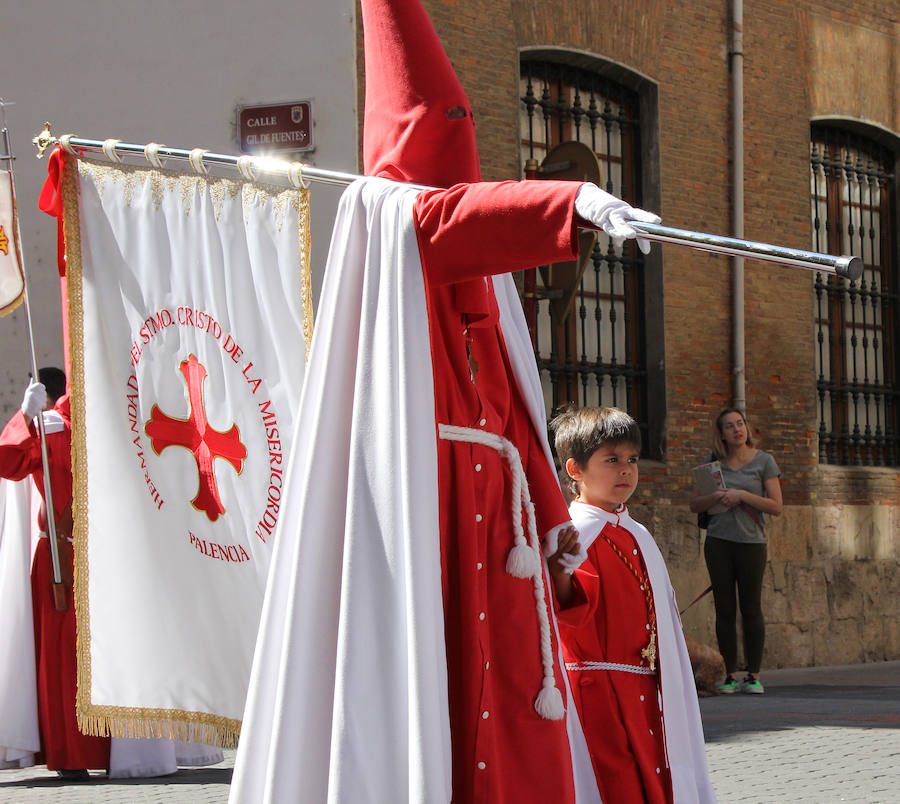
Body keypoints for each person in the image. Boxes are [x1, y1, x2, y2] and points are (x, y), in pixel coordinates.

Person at [229, 1, 659, 801]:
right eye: (447, 131)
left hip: (494, 524)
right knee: (434, 686)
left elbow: (521, 428)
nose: (462, 155)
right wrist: (575, 206)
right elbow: (449, 219)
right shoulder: (393, 219)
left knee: (501, 702)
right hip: (421, 513)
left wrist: (548, 522)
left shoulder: (486, 292)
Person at [548, 406, 716, 803]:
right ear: (575, 470)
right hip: (597, 691)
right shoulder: (571, 533)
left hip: (644, 688)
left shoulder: (637, 532)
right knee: (613, 785)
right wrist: (558, 572)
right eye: (611, 460)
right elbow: (564, 611)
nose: (625, 470)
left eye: (632, 460)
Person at [0, 368, 111, 778]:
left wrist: (24, 419)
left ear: (45, 397)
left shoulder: (46, 429)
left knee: (60, 661)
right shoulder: (109, 419)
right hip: (107, 557)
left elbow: (7, 461)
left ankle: (70, 754)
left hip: (60, 562)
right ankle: (120, 752)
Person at [689, 408, 782, 695]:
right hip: (718, 542)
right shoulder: (713, 463)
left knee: (751, 607)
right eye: (729, 426)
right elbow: (695, 505)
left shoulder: (764, 461)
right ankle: (729, 674)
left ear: (746, 427)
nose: (737, 429)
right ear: (722, 434)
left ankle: (752, 674)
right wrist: (714, 497)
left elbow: (776, 506)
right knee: (725, 609)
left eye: (740, 423)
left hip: (752, 543)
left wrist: (742, 495)